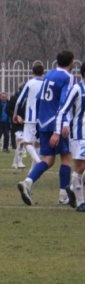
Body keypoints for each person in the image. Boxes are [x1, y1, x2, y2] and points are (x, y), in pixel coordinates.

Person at [18, 51, 77, 206]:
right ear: (71, 62)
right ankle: (63, 195)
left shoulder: (49, 75)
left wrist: (39, 120)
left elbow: (38, 99)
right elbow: (65, 101)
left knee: (49, 159)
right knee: (66, 157)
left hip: (44, 121)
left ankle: (27, 182)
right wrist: (63, 125)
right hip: (57, 121)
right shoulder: (68, 77)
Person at [56, 66, 85, 211]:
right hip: (79, 134)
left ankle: (73, 187)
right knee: (80, 167)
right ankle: (80, 203)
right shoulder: (77, 89)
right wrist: (61, 128)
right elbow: (63, 110)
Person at [11, 62, 45, 170]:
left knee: (27, 143)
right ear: (43, 72)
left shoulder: (30, 83)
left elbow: (19, 101)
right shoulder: (46, 83)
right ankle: (32, 171)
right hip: (43, 119)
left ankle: (38, 161)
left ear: (32, 72)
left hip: (31, 118)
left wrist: (15, 115)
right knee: (38, 145)